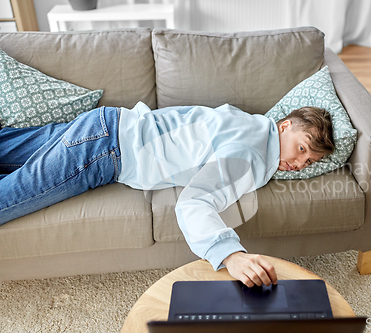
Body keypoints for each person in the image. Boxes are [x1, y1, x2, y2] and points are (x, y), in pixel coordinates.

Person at [0, 102, 334, 287]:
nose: (299, 163)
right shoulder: (252, 154)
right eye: (302, 148)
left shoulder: (246, 122)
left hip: (105, 122)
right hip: (103, 150)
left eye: (309, 162)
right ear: (285, 126)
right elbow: (195, 201)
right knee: (11, 197)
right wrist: (231, 255)